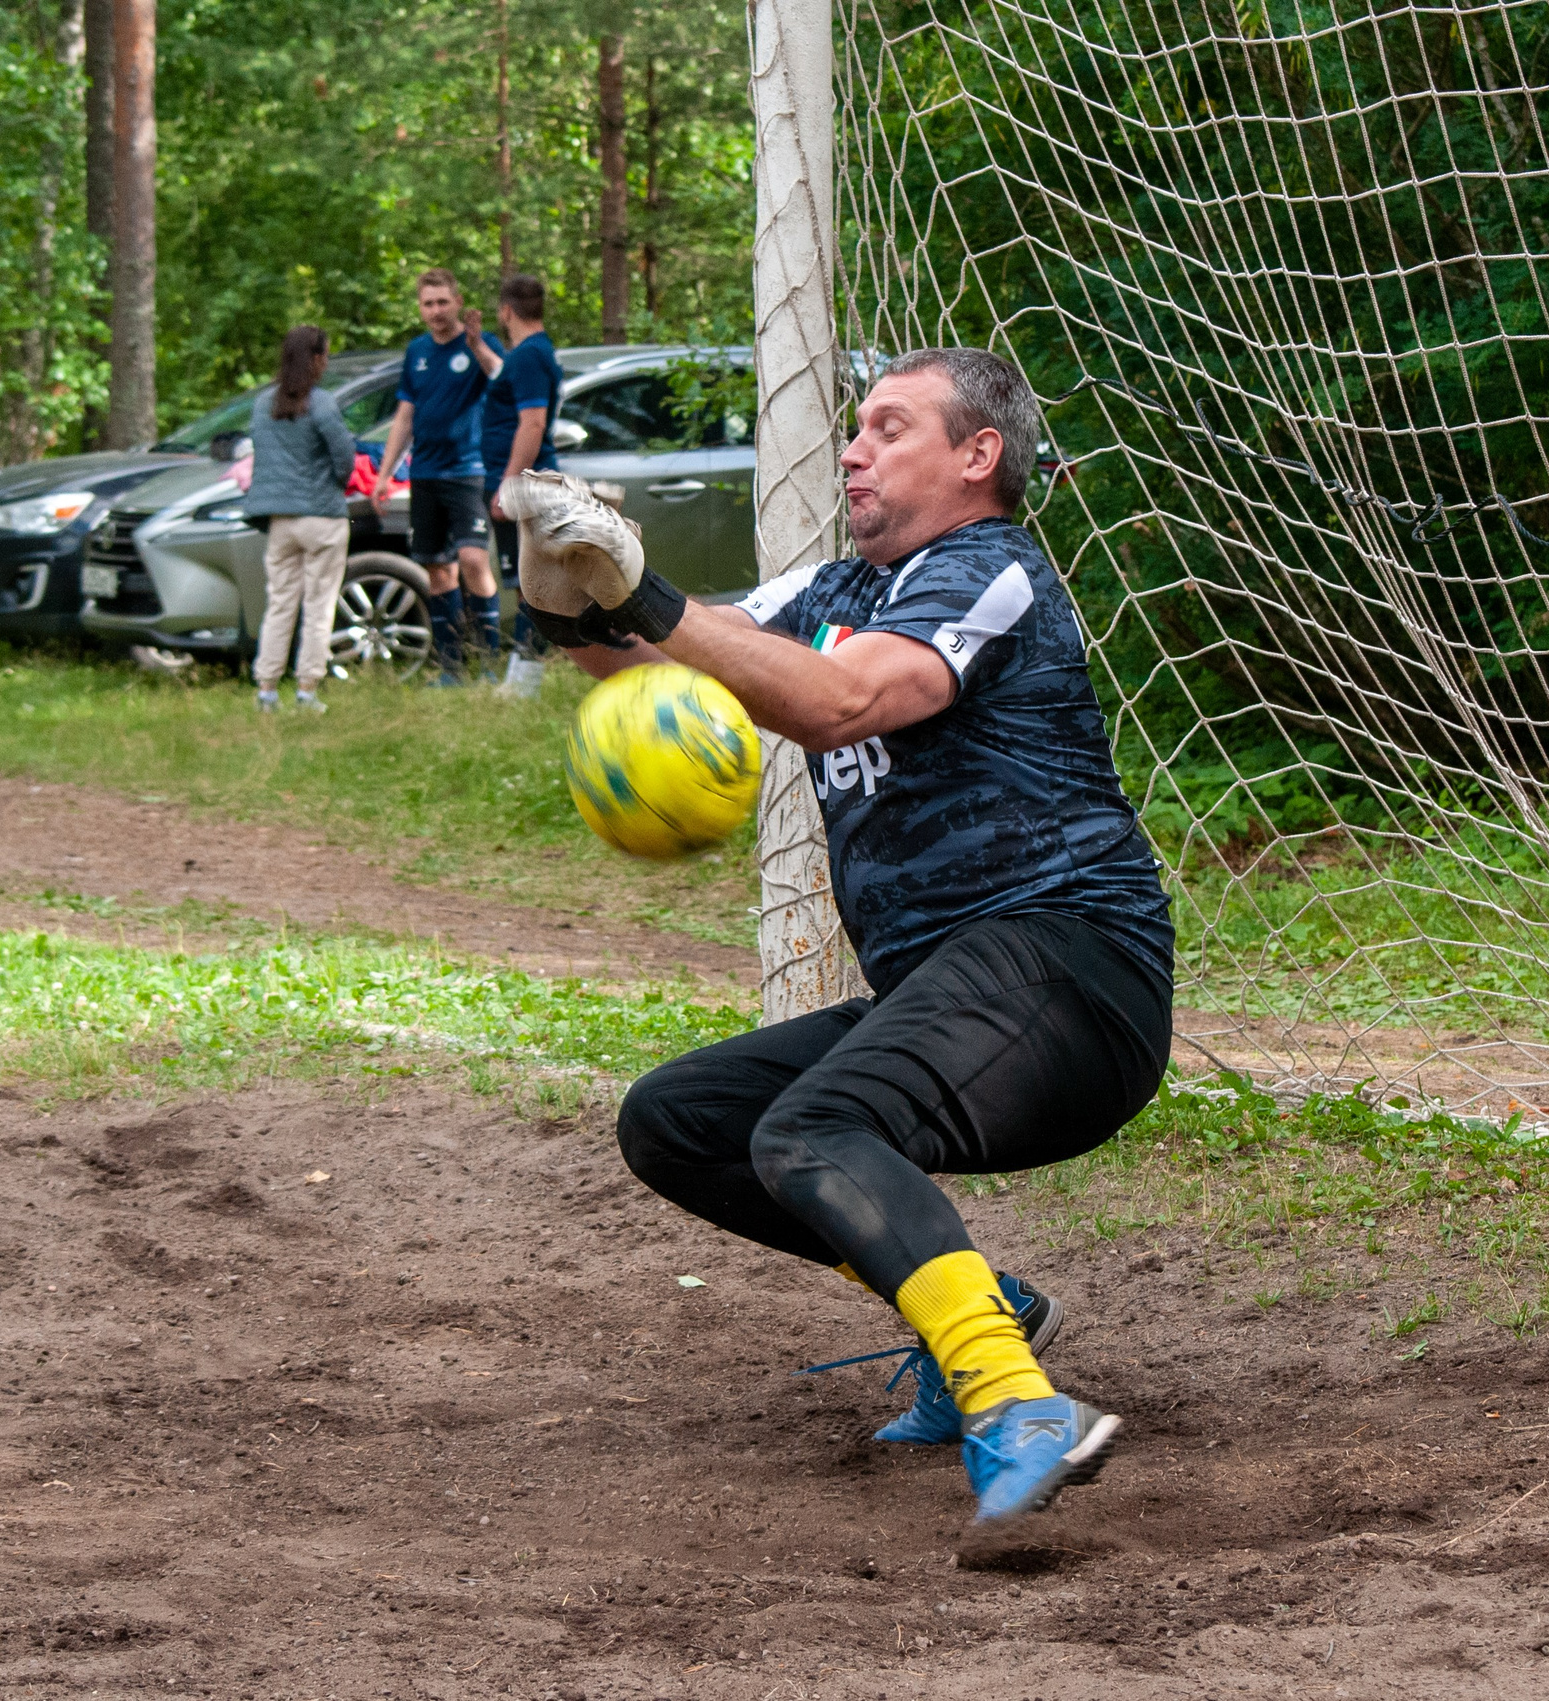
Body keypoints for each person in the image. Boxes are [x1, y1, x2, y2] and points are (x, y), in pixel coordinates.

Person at [499, 348, 1172, 1528]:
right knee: (682, 1122)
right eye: (855, 429)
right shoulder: (832, 595)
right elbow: (640, 649)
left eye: (887, 427)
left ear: (978, 456)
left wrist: (643, 592)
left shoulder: (991, 569)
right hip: (953, 991)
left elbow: (841, 702)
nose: (851, 449)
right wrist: (560, 581)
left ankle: (1018, 1406)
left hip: (1070, 972)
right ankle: (981, 1308)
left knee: (816, 1124)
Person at [370, 268, 503, 683]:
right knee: (437, 569)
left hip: (469, 472)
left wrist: (477, 345)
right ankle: (451, 666)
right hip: (425, 472)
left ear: (458, 302)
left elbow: (501, 375)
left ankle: (490, 662)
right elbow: (404, 414)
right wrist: (384, 472)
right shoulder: (417, 352)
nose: (436, 311)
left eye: (443, 302)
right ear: (420, 308)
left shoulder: (480, 345)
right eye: (428, 304)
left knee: (473, 558)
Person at [245, 325, 359, 714]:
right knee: (318, 605)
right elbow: (344, 456)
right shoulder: (322, 403)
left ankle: (267, 689)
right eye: (325, 355)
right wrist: (339, 481)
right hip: (322, 516)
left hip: (280, 520)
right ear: (315, 359)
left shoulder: (263, 405)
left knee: (279, 604)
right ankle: (307, 689)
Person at [480, 272, 561, 698]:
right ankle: (520, 674)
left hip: (523, 484)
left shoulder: (529, 356)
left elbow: (532, 423)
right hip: (520, 479)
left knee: (532, 584)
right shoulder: (530, 353)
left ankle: (524, 681)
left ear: (506, 310)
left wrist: (508, 484)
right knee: (526, 583)